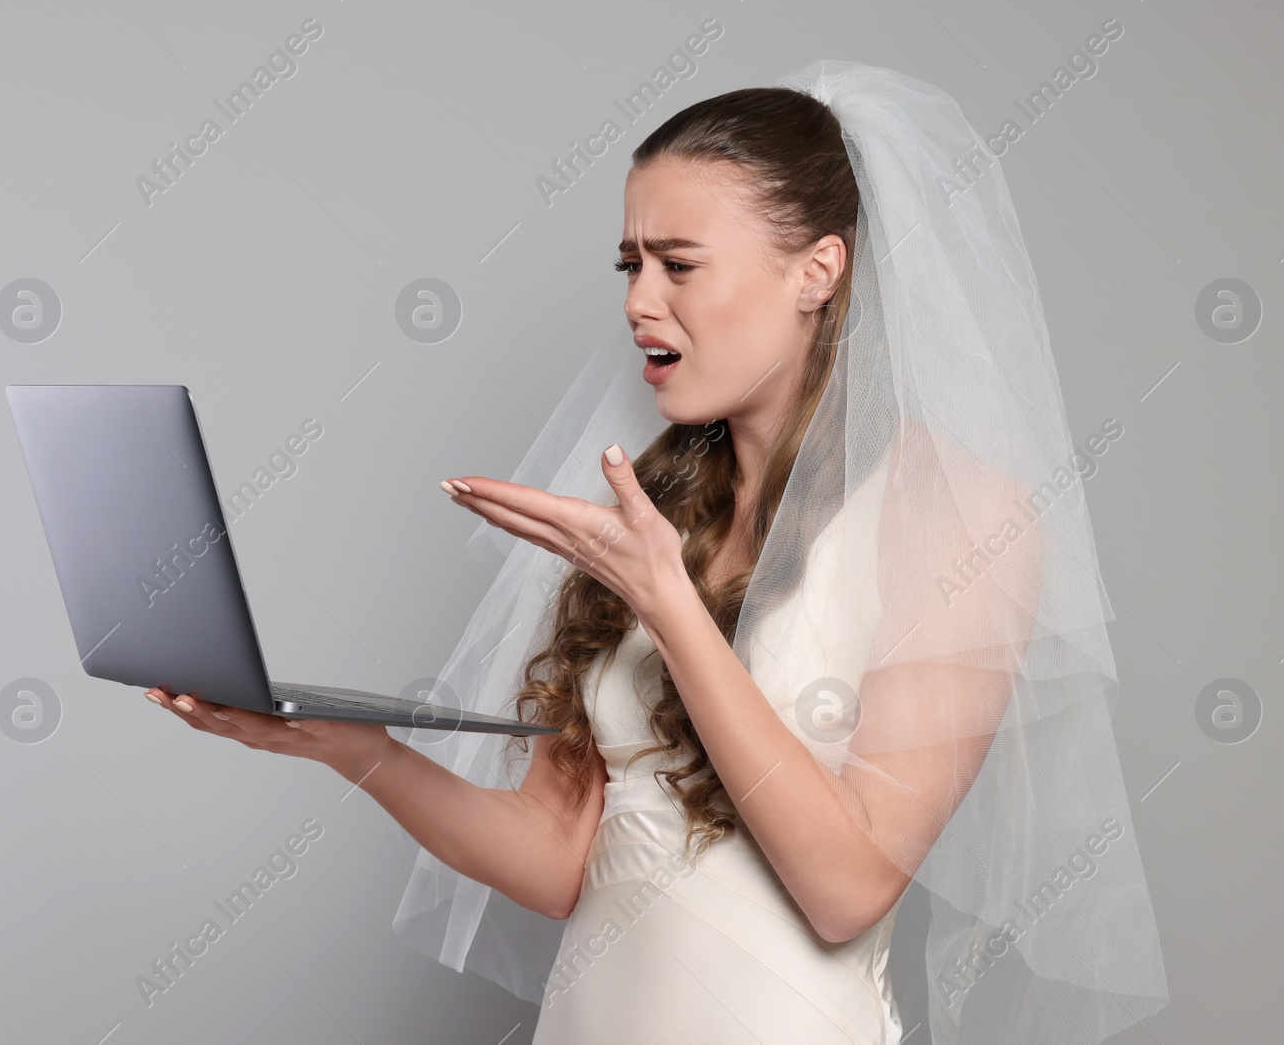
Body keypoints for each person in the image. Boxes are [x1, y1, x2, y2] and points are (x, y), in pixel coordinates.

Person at [148, 61, 1169, 1044]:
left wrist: (666, 602)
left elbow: (847, 887)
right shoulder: (651, 511)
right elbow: (556, 856)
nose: (640, 301)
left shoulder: (954, 515)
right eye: (631, 264)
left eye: (679, 264)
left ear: (817, 270)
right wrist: (343, 742)